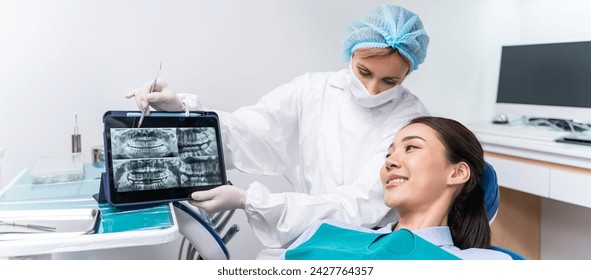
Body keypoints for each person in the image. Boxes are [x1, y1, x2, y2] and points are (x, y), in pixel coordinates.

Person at [125, 5, 430, 257]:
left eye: (390, 82)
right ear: (351, 52)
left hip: (371, 248)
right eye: (364, 72)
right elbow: (252, 131)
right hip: (305, 240)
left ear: (409, 72)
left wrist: (253, 201)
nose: (372, 90)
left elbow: (361, 205)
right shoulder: (313, 91)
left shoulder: (412, 120)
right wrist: (183, 112)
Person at [282, 116, 512, 260]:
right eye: (388, 153)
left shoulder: (480, 264)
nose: (389, 162)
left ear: (457, 172)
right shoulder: (325, 231)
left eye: (411, 147)